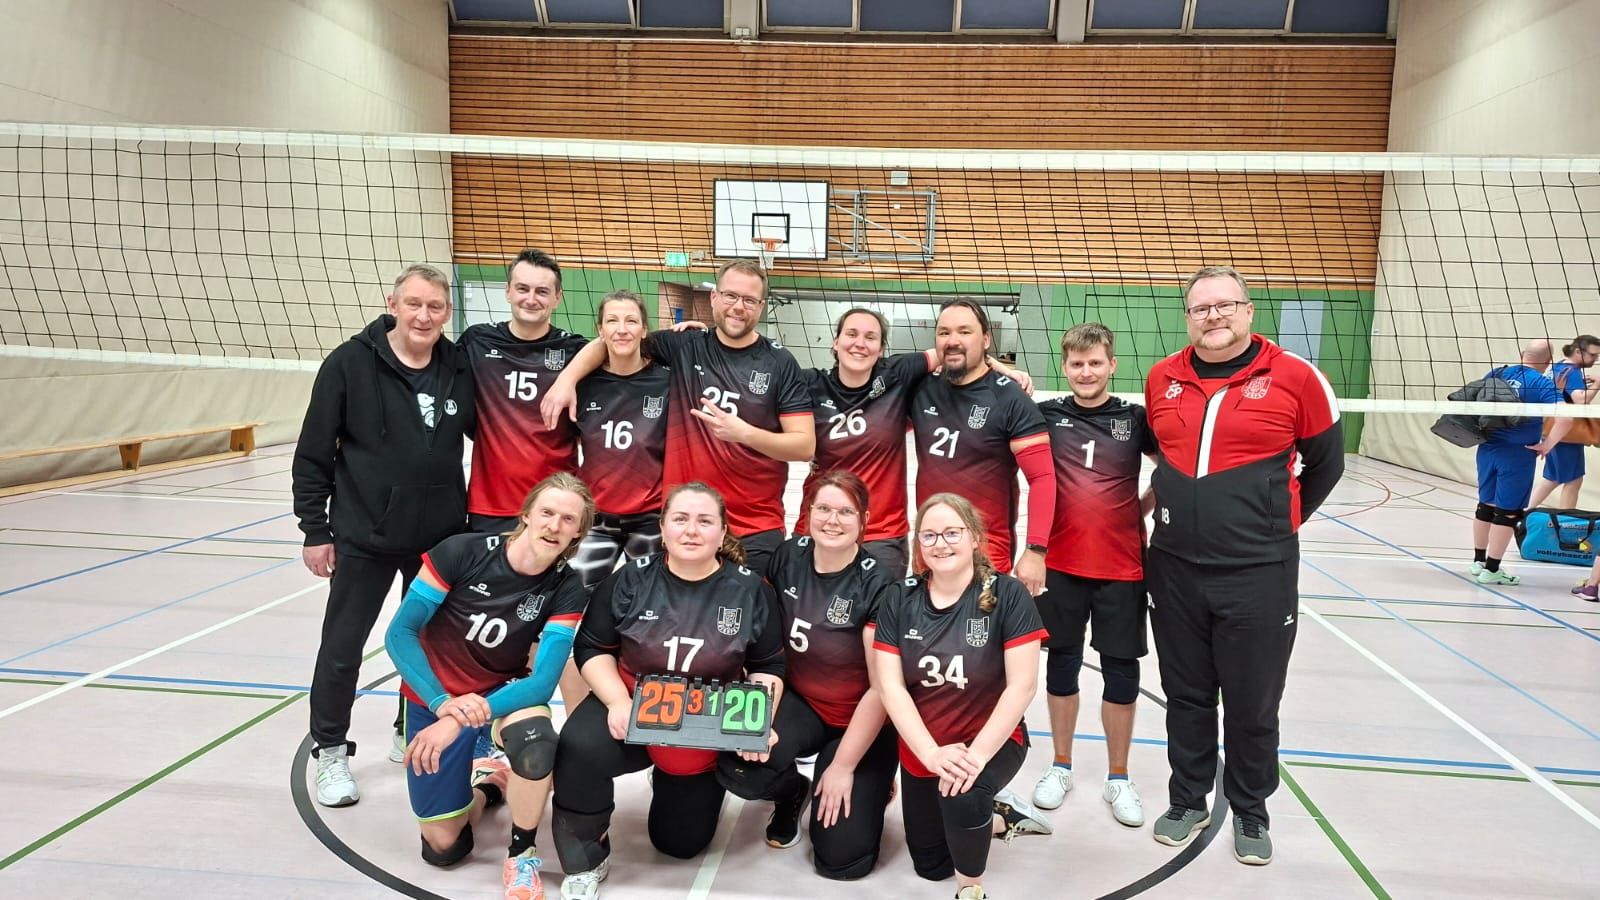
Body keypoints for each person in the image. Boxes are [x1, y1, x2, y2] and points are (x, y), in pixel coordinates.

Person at [1143, 265, 1345, 865]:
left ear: (1248, 310)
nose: (1214, 316)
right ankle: (1187, 800)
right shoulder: (1162, 377)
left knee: (1253, 701)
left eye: (1225, 305)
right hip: (1174, 568)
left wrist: (1273, 523)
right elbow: (1162, 453)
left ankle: (1251, 810)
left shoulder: (1296, 377)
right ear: (1188, 317)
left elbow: (1326, 464)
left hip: (1259, 572)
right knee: (1185, 694)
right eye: (1201, 308)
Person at [292, 262, 475, 808]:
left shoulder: (457, 367)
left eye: (435, 306)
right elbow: (313, 453)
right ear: (393, 305)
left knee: (430, 646)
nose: (423, 315)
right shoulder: (349, 364)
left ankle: (407, 727)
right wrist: (315, 529)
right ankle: (330, 751)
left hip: (438, 541)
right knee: (342, 647)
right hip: (363, 536)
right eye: (413, 304)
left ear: (447, 312)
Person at [549, 483, 787, 900]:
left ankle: (675, 779)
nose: (691, 530)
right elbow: (592, 647)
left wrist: (755, 722)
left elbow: (768, 666)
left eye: (704, 521)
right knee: (578, 746)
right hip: (634, 700)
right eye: (680, 519)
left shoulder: (751, 590)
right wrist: (617, 702)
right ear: (663, 527)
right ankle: (586, 856)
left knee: (679, 844)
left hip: (704, 716)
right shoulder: (630, 578)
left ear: (722, 531)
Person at [385, 473, 593, 900]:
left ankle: (521, 854)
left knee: (536, 742)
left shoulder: (567, 587)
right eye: (547, 512)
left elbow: (542, 682)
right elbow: (400, 633)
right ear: (526, 514)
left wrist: (460, 716)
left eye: (568, 519)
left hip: (501, 697)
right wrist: (442, 704)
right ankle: (490, 785)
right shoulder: (461, 552)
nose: (554, 525)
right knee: (444, 847)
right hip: (435, 698)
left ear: (578, 532)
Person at [542, 259, 813, 576]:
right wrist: (566, 380)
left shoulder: (780, 362)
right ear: (714, 297)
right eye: (730, 296)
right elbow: (619, 340)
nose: (738, 307)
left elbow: (804, 446)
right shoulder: (684, 345)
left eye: (749, 300)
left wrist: (744, 433)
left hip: (754, 525)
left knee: (749, 604)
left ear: (761, 306)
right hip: (686, 521)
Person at [717, 470, 901, 879]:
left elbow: (882, 688)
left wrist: (843, 767)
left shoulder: (879, 582)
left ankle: (871, 779)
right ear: (807, 512)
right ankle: (792, 792)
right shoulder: (787, 555)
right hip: (801, 702)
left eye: (845, 512)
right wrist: (756, 717)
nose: (832, 520)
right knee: (738, 765)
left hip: (862, 716)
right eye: (823, 509)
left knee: (841, 861)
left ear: (864, 520)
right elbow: (762, 644)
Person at [873, 493, 1052, 900]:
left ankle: (971, 889)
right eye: (929, 535)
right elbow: (891, 687)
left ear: (973, 537)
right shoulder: (899, 597)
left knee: (964, 796)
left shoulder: (1008, 594)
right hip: (925, 748)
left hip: (990, 742)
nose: (941, 543)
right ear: (918, 543)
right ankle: (1000, 817)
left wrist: (976, 757)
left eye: (952, 533)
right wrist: (931, 754)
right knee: (930, 865)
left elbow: (1022, 686)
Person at [1029, 323, 1158, 829]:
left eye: (1095, 363)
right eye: (1077, 364)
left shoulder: (1134, 419)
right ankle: (1060, 766)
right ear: (1065, 366)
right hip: (1060, 564)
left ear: (1112, 365)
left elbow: (1171, 468)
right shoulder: (1046, 415)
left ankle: (1118, 777)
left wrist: (1138, 509)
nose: (1086, 372)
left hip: (1122, 566)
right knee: (1061, 667)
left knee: (1121, 671)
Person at [798, 308, 1031, 577]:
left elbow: (954, 350)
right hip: (819, 526)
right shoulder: (810, 384)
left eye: (870, 337)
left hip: (882, 535)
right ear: (835, 342)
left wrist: (1001, 369)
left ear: (881, 349)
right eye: (851, 334)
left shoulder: (895, 374)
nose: (860, 343)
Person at [910, 300, 1055, 595]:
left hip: (986, 552)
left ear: (986, 339)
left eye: (965, 332)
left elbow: (1042, 478)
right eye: (944, 332)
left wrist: (1036, 550)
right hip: (929, 547)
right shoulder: (921, 389)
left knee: (979, 624)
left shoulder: (1011, 399)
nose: (953, 340)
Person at [461, 249, 591, 533]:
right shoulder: (477, 342)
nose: (531, 299)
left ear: (558, 297)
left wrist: (567, 378)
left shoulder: (573, 350)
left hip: (555, 507)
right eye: (522, 289)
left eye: (542, 291)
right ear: (508, 291)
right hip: (491, 504)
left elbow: (608, 344)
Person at [569, 290, 671, 589]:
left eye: (631, 321)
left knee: (650, 599)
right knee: (575, 594)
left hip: (650, 518)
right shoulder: (583, 383)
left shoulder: (668, 381)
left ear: (644, 329)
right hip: (595, 517)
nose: (622, 329)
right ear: (600, 329)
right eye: (612, 320)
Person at [1469, 339, 1569, 585]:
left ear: (1522, 353)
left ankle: (1478, 561)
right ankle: (1492, 570)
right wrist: (1548, 444)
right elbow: (1566, 418)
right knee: (1509, 512)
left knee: (1486, 505)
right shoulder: (1542, 383)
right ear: (1549, 362)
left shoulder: (1498, 373)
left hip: (1487, 449)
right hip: (1517, 454)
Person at [1526, 334, 1600, 512]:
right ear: (1578, 351)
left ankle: (1525, 511)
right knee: (1573, 480)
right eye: (1592, 355)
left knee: (1553, 478)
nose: (1595, 359)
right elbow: (1580, 400)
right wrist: (1597, 384)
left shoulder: (1558, 366)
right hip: (1565, 434)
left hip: (1551, 430)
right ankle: (1567, 520)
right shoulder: (1571, 370)